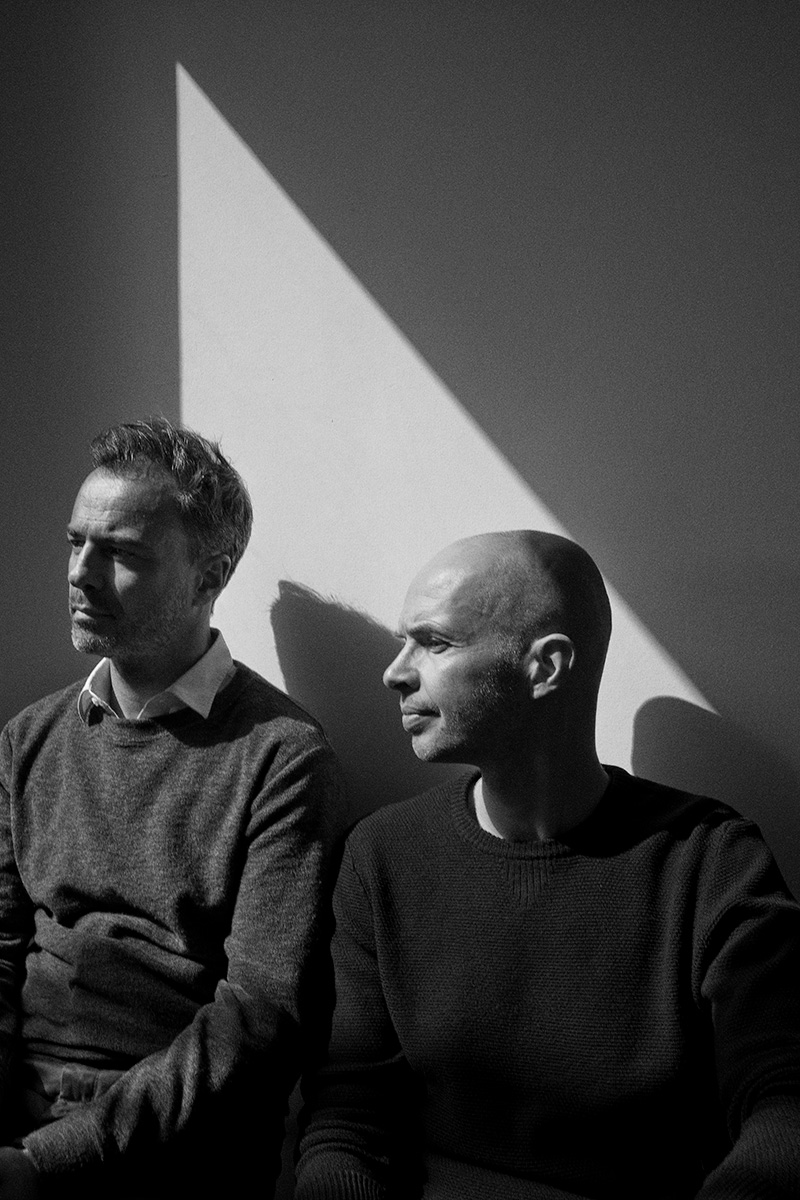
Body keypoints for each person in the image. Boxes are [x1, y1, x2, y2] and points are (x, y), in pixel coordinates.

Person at [295, 530, 800, 1199]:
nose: (395, 671)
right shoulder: (382, 856)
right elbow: (349, 1118)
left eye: (435, 642)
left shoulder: (711, 861)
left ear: (546, 667)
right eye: (402, 641)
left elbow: (784, 1095)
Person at [0, 418, 345, 1198]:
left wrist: (47, 1162)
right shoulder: (29, 737)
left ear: (208, 575)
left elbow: (259, 1019)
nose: (81, 574)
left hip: (172, 1148)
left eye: (121, 554)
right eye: (75, 543)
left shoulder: (284, 758)